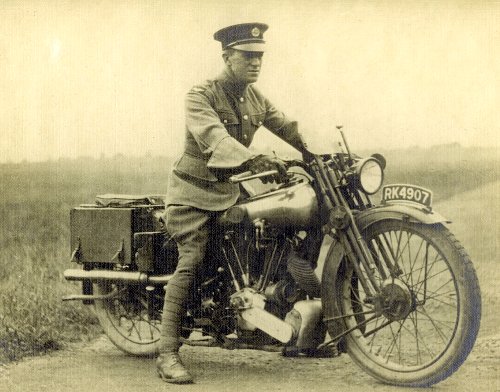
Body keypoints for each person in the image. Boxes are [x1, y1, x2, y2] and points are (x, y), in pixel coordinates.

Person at [157, 22, 307, 384]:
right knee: (192, 259)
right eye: (248, 56)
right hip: (193, 196)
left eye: (260, 57)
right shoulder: (201, 95)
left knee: (275, 230)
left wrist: (313, 153)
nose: (256, 63)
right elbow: (214, 138)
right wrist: (253, 159)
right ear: (227, 56)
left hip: (232, 192)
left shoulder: (254, 97)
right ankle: (166, 353)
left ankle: (269, 316)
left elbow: (286, 126)